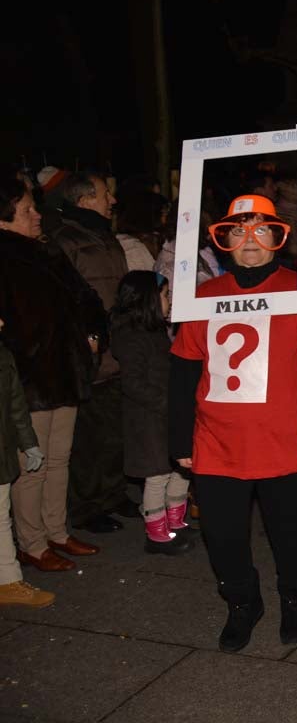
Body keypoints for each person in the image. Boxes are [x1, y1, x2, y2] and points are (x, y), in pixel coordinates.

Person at [168, 194, 297, 652]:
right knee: (221, 536)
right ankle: (242, 603)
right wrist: (179, 437)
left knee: (288, 530)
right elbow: (183, 372)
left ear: (279, 238)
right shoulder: (204, 296)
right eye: (238, 231)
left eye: (262, 230)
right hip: (215, 439)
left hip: (282, 441)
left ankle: (296, 599)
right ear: (224, 242)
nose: (251, 241)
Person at [0, 178, 105, 572]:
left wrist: (93, 332)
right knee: (33, 462)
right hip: (30, 378)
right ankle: (31, 542)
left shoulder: (47, 251)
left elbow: (85, 296)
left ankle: (56, 531)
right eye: (27, 210)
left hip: (65, 369)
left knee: (59, 458)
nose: (37, 215)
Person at [45, 170, 136, 533]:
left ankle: (112, 493)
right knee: (89, 436)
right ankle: (86, 505)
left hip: (118, 348)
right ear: (83, 200)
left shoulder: (103, 237)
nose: (112, 201)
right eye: (104, 195)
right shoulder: (65, 240)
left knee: (114, 428)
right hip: (90, 352)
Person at [110, 271, 192, 555]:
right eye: (166, 295)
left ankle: (175, 521)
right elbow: (134, 383)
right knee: (157, 475)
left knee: (180, 469)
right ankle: (157, 533)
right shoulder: (131, 336)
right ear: (148, 299)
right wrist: (166, 403)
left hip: (165, 414)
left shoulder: (153, 331)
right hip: (149, 419)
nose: (169, 300)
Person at [0, 321, 55, 608]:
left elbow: (15, 404)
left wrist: (28, 442)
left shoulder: (3, 355)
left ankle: (8, 581)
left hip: (2, 449)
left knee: (1, 517)